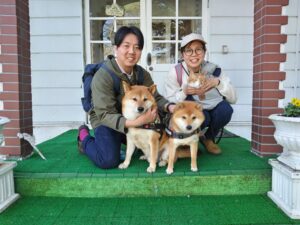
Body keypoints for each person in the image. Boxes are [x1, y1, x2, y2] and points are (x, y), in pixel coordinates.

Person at [77, 26, 175, 169]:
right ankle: (83, 137)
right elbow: (104, 113)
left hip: (133, 118)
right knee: (108, 160)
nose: (132, 52)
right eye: (126, 46)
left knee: (143, 146)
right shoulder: (103, 76)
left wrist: (170, 107)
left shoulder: (142, 74)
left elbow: (155, 98)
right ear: (116, 48)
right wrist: (137, 122)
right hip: (105, 119)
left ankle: (120, 143)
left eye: (137, 47)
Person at [164, 33, 237, 155]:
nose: (194, 54)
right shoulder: (175, 72)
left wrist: (217, 83)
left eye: (198, 49)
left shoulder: (215, 70)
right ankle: (188, 141)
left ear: (204, 52)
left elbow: (233, 98)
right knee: (202, 117)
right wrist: (184, 92)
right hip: (190, 114)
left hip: (213, 108)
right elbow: (170, 103)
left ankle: (208, 138)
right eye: (189, 50)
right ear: (183, 54)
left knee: (226, 110)